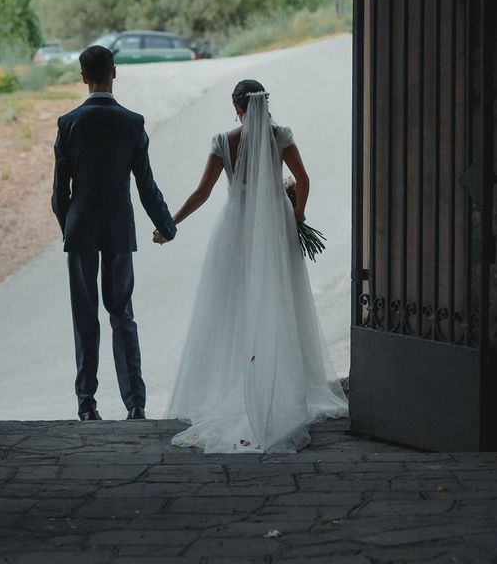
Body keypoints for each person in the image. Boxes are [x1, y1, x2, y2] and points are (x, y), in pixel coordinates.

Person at [154, 79, 347, 453]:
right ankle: (279, 379)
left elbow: (202, 193)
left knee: (234, 306)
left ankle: (237, 380)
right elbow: (303, 180)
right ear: (265, 104)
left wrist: (169, 225)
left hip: (238, 227)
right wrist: (297, 214)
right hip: (275, 225)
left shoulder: (222, 142)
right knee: (280, 300)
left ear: (237, 108)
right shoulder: (281, 136)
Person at [52, 44, 176, 421]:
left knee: (85, 317)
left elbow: (59, 193)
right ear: (114, 73)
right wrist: (166, 225)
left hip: (81, 229)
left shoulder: (68, 123)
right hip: (119, 228)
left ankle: (87, 404)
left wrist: (69, 228)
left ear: (83, 78)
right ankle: (135, 403)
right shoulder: (132, 123)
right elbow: (146, 185)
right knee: (122, 314)